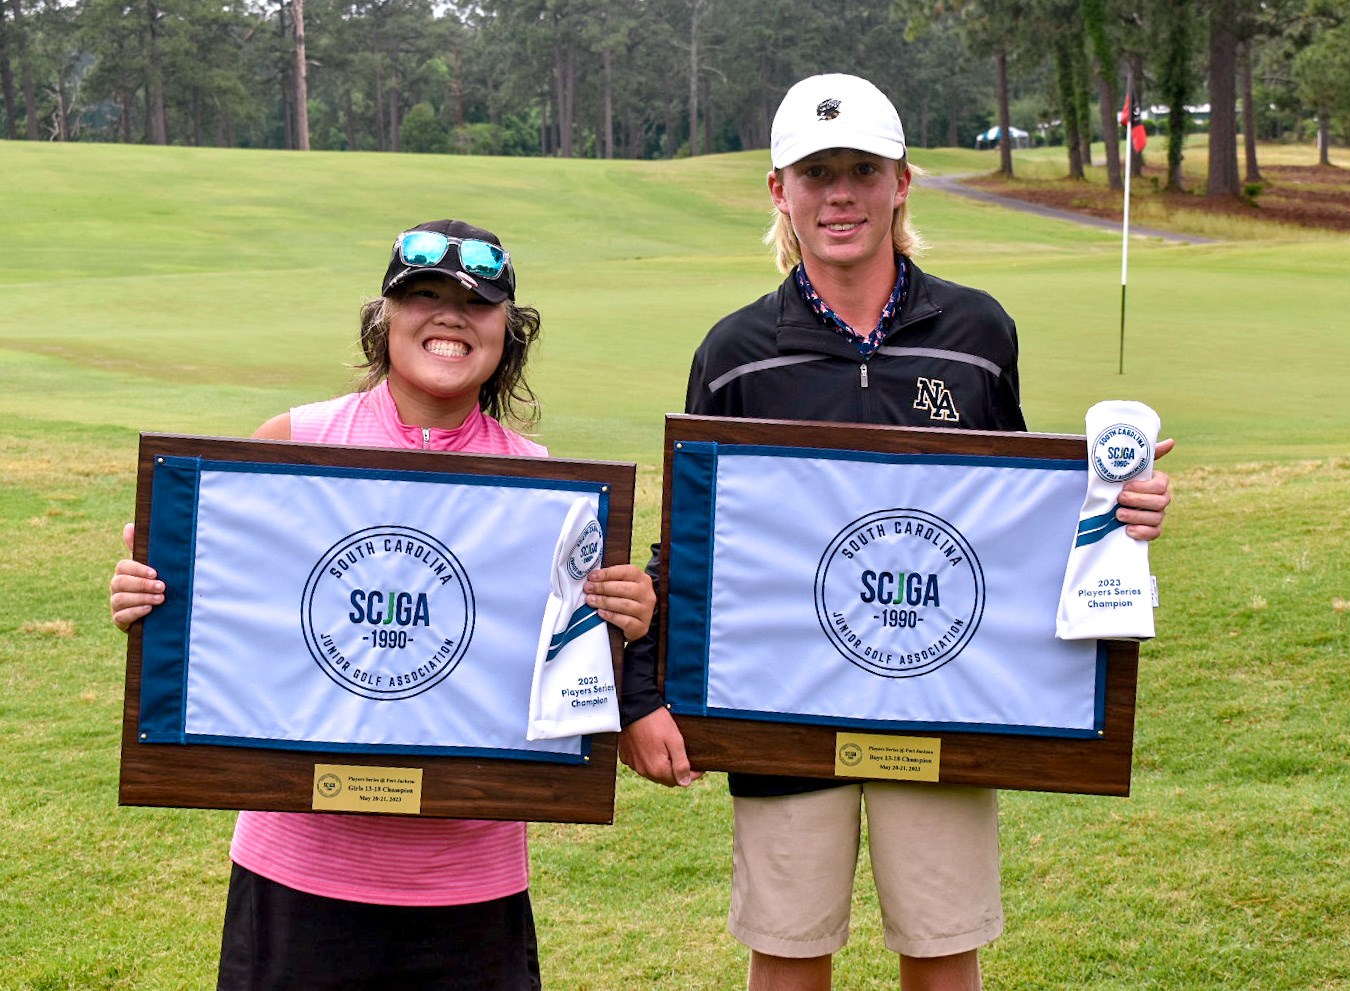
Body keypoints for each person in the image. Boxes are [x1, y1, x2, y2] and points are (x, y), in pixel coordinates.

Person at [618, 74, 1174, 991]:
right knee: (789, 950)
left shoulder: (976, 333)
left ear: (902, 182)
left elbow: (1015, 525)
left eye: (863, 170)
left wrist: (1116, 515)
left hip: (940, 695)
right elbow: (695, 544)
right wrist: (642, 693)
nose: (841, 193)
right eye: (817, 172)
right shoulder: (736, 353)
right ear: (779, 191)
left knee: (943, 943)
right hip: (783, 692)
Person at [109, 218, 655, 991]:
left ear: (509, 331)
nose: (449, 317)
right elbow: (221, 612)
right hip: (297, 868)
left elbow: (559, 676)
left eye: (477, 303)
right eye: (422, 295)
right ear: (384, 318)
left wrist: (620, 616)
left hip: (470, 879)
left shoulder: (548, 490)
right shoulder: (294, 441)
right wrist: (151, 597)